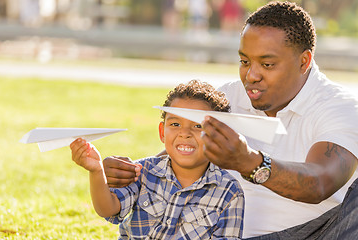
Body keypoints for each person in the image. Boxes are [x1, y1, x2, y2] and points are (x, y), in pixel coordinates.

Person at [103, 1, 358, 239]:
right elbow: (179, 155)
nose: (252, 75)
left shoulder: (340, 106)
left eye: (267, 64)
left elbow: (320, 182)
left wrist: (251, 163)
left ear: (304, 61)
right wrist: (131, 172)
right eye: (244, 61)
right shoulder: (229, 97)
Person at [70, 80, 245, 239]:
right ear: (162, 132)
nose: (184, 133)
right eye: (175, 124)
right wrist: (96, 171)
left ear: (217, 136)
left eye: (198, 126)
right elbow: (108, 208)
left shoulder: (229, 191)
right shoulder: (143, 171)